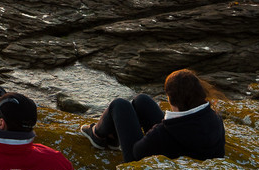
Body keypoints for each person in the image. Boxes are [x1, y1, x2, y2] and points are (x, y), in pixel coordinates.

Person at [79, 68, 226, 162]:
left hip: (147, 160)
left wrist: (152, 133)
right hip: (188, 149)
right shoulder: (215, 119)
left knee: (120, 105)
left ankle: (97, 135)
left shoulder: (164, 132)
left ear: (171, 100)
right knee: (141, 100)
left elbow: (137, 152)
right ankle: (112, 138)